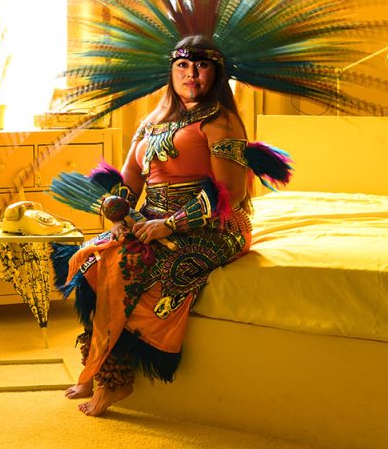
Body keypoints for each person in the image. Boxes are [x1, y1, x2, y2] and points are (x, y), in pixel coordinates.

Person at [53, 34, 258, 416]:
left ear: (216, 73)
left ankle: (115, 381)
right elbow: (129, 180)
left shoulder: (222, 121)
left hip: (214, 226)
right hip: (150, 220)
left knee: (131, 268)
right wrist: (120, 216)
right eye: (182, 65)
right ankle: (97, 366)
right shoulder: (152, 120)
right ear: (171, 71)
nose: (191, 74)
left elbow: (227, 191)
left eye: (201, 66)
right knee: (91, 260)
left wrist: (170, 225)